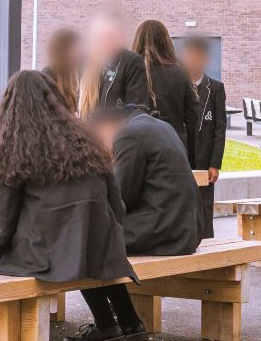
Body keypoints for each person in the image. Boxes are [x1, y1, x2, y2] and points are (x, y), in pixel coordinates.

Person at [0, 71, 142, 341]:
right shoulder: (86, 138)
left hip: (50, 254)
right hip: (101, 246)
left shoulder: (12, 145)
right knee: (81, 236)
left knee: (66, 239)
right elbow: (117, 204)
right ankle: (124, 323)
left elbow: (2, 219)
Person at [90, 105, 202, 256]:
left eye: (99, 140)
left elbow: (120, 198)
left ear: (106, 126)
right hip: (187, 233)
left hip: (164, 233)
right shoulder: (163, 126)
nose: (102, 149)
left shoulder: (128, 134)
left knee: (89, 235)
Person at [180, 37, 226, 238]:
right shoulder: (178, 86)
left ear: (205, 59)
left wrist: (215, 163)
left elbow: (220, 129)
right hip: (183, 157)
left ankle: (208, 242)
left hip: (205, 160)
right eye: (188, 56)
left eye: (196, 56)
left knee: (205, 206)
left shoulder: (215, 88)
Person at [128, 19, 198, 151]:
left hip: (136, 147)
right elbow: (192, 118)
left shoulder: (129, 72)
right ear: (165, 41)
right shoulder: (180, 72)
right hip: (174, 145)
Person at [79, 14, 144, 117]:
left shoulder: (131, 62)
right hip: (87, 126)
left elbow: (137, 108)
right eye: (101, 37)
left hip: (119, 126)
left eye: (110, 37)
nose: (105, 42)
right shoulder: (85, 62)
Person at [44, 27, 83, 112]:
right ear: (63, 52)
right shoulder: (47, 77)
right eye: (76, 50)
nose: (79, 54)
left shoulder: (76, 74)